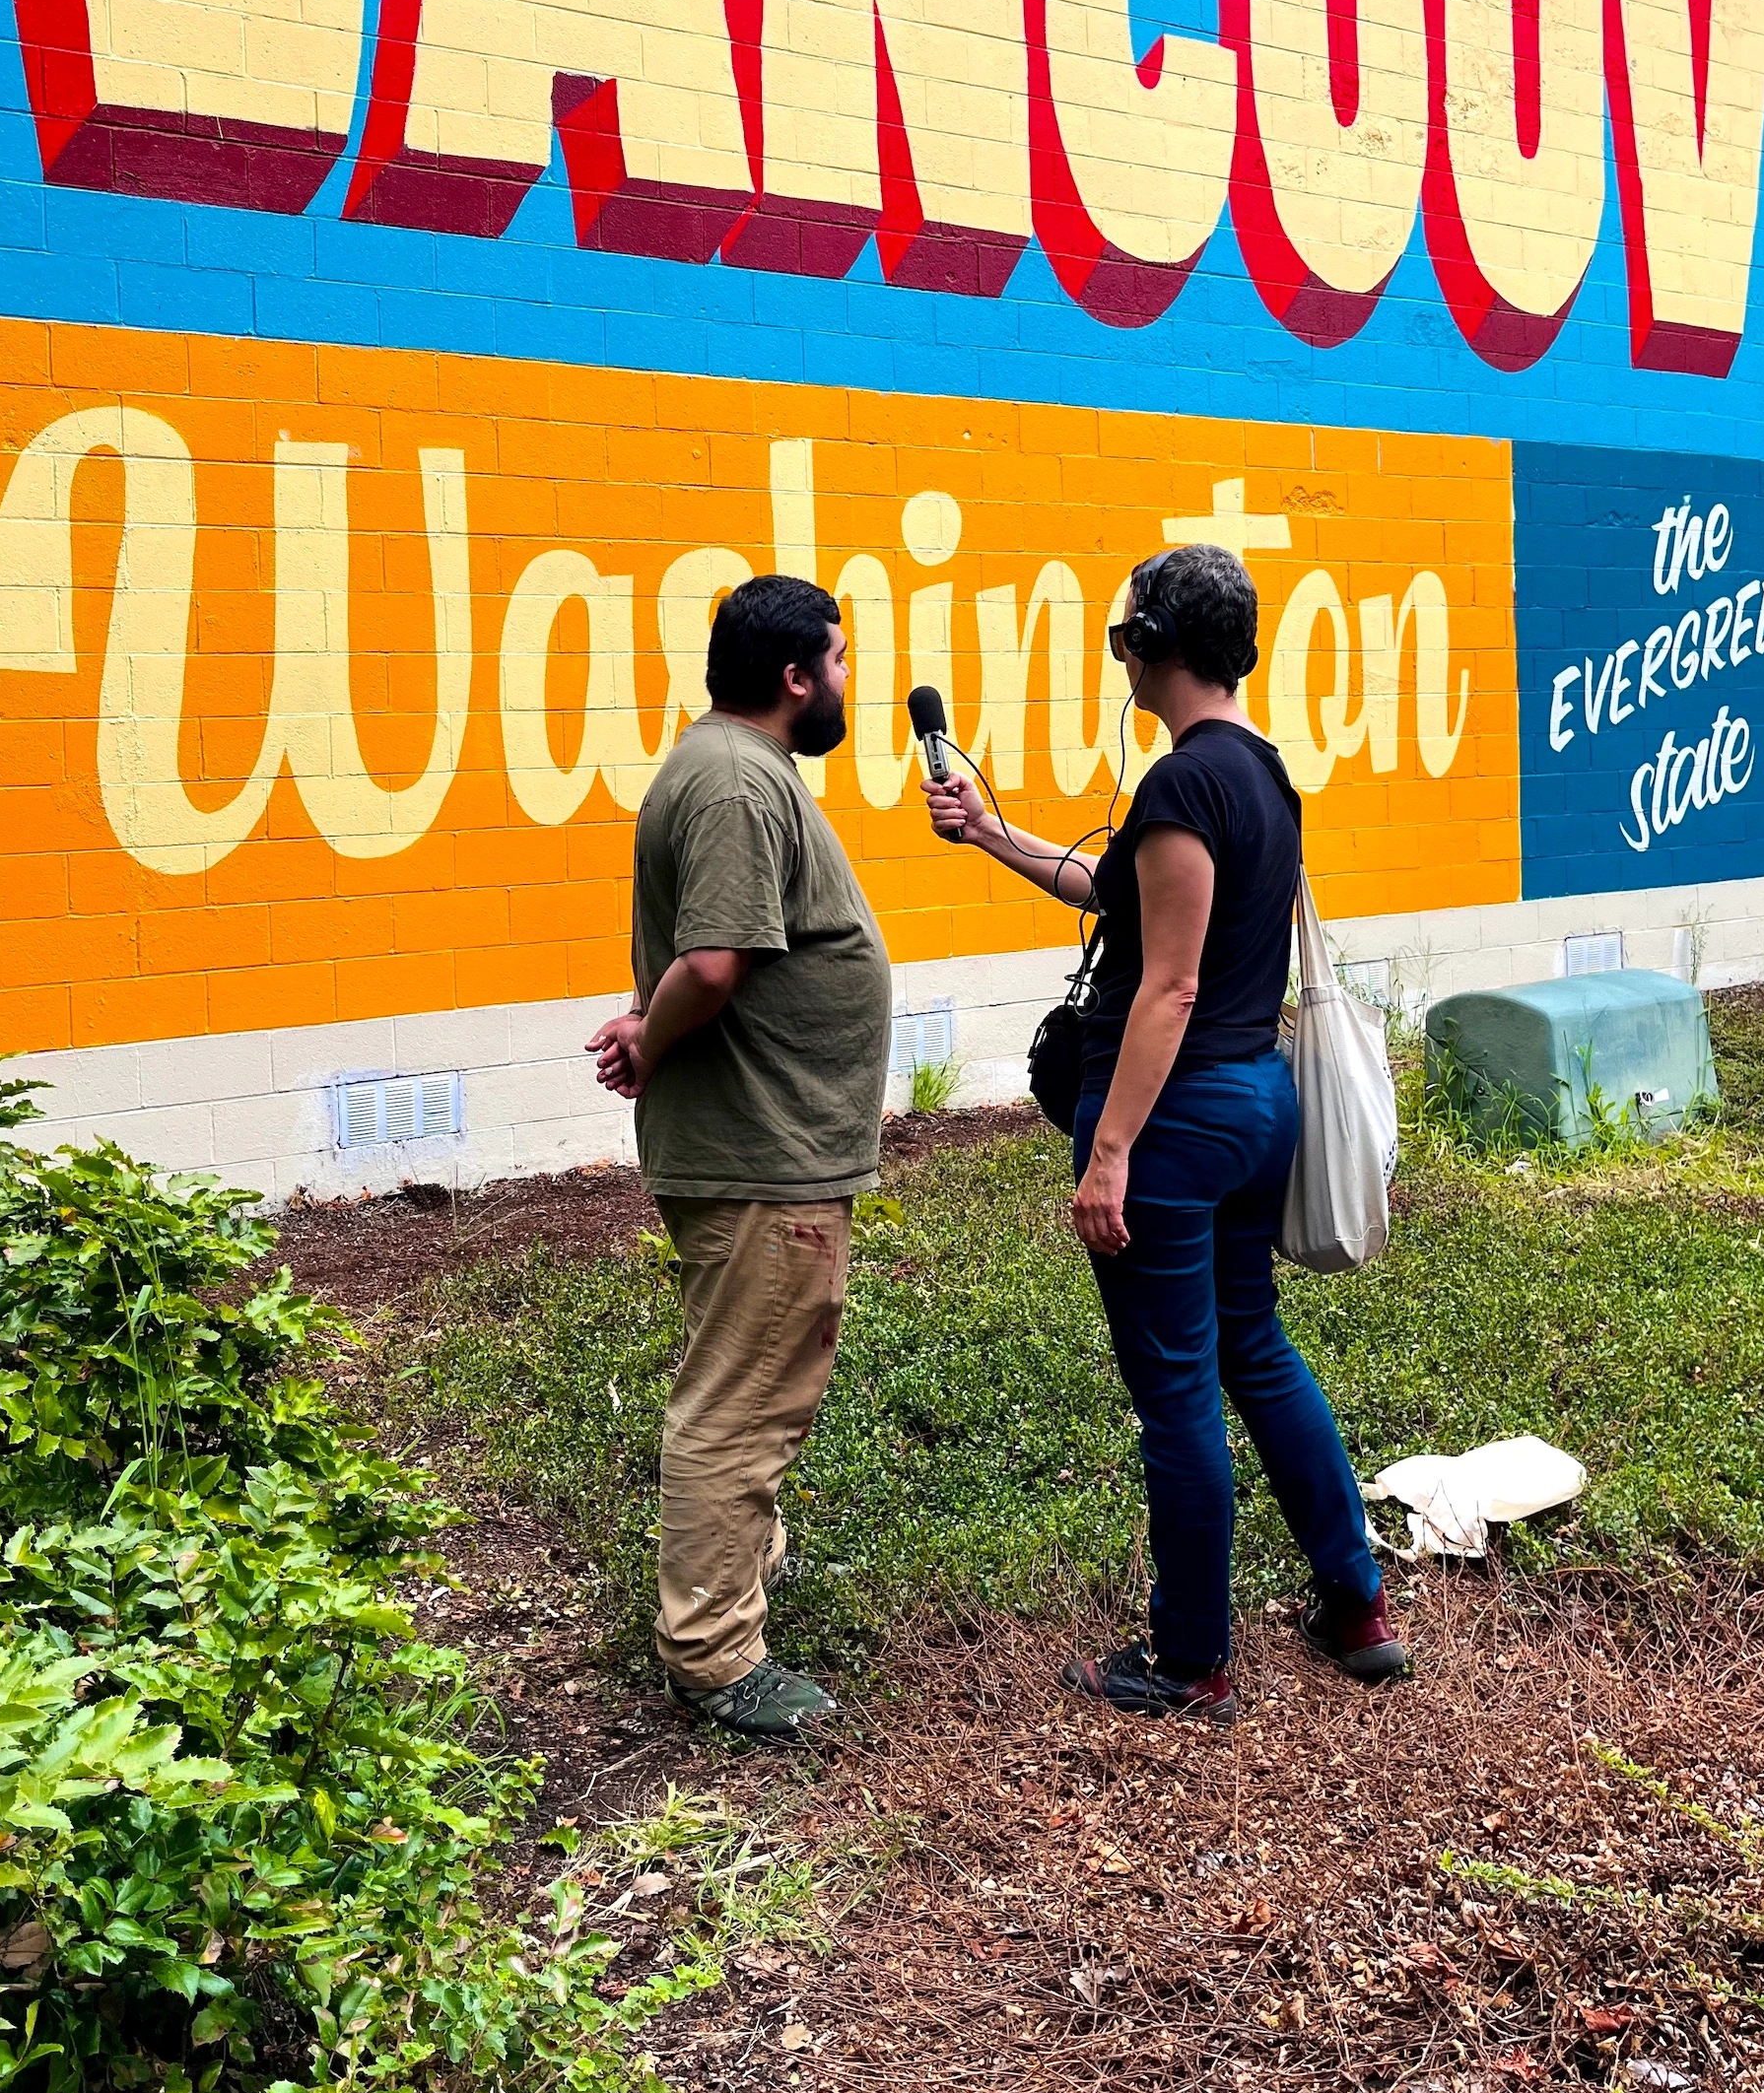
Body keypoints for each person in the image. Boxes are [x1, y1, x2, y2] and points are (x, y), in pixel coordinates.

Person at [919, 542, 1407, 1722]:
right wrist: (988, 833)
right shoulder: (1262, 776)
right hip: (1251, 1109)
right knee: (1255, 1352)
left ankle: (1192, 1660)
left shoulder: (1184, 784)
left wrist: (1111, 1155)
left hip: (1177, 1126)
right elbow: (1118, 896)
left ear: (1157, 645)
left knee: (1179, 1392)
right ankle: (1355, 1606)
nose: (1119, 657)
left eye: (1122, 637)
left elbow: (1171, 985)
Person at [589, 574, 891, 1740]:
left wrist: (645, 1024)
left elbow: (704, 957)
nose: (850, 680)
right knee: (742, 1400)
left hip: (770, 1142)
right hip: (760, 1148)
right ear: (796, 676)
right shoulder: (733, 780)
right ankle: (713, 1651)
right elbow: (713, 962)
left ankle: (737, 1566)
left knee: (753, 1378)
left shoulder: (737, 770)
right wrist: (652, 1037)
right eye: (841, 659)